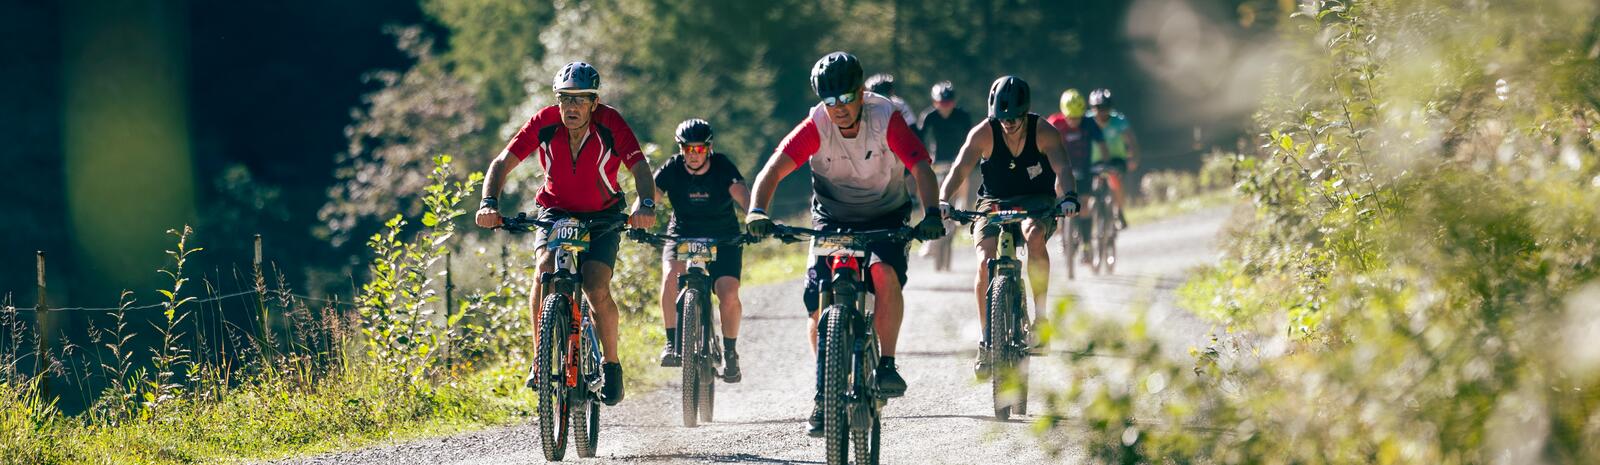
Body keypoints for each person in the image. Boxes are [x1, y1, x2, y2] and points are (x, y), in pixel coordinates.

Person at [744, 51, 945, 437]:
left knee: (883, 274)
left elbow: (920, 164)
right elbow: (775, 167)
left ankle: (886, 363)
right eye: (829, 100)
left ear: (861, 91)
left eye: (845, 98)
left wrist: (932, 213)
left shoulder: (885, 117)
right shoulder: (817, 123)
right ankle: (824, 394)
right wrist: (757, 210)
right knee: (819, 304)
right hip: (832, 216)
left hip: (885, 213)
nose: (837, 109)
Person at [474, 62, 656, 406]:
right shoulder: (544, 122)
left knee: (595, 285)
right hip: (556, 210)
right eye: (564, 100)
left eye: (580, 100)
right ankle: (540, 359)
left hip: (604, 213)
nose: (571, 107)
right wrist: (488, 203)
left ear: (594, 102)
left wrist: (644, 204)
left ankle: (611, 363)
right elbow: (502, 162)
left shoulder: (611, 123)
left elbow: (639, 166)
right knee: (544, 272)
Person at [937, 76, 1079, 379]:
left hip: (1036, 202)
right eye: (1003, 118)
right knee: (986, 262)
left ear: (1025, 112)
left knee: (1034, 234)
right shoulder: (983, 134)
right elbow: (960, 169)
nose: (1009, 123)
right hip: (994, 202)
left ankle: (1040, 320)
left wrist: (1067, 196)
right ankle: (987, 339)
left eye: (1015, 118)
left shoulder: (1043, 131)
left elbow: (1062, 167)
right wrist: (942, 199)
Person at [652, 118, 750, 383]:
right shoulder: (672, 167)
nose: (693, 155)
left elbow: (741, 192)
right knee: (671, 275)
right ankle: (672, 343)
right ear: (681, 149)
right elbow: (652, 195)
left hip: (724, 235)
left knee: (728, 293)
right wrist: (641, 212)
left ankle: (730, 353)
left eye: (700, 149)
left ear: (709, 148)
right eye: (688, 149)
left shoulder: (722, 166)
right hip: (682, 233)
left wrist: (754, 216)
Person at [915, 81, 975, 269]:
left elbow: (971, 140)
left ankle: (962, 203)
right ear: (934, 103)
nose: (945, 107)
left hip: (958, 159)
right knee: (924, 182)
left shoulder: (963, 116)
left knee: (963, 175)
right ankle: (929, 217)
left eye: (949, 103)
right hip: (937, 160)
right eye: (941, 103)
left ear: (954, 102)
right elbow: (919, 140)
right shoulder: (929, 117)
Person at [1046, 89, 1108, 264]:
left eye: (1078, 118)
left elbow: (1102, 145)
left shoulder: (1089, 123)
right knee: (1057, 192)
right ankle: (1060, 231)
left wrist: (1104, 164)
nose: (1074, 122)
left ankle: (1086, 245)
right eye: (1071, 118)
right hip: (1062, 167)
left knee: (1085, 205)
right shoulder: (1054, 123)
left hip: (1084, 168)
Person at [1087, 88, 1140, 228]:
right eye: (1097, 108)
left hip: (1116, 158)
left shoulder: (1119, 120)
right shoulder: (1086, 121)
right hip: (1094, 160)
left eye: (1105, 107)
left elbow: (1131, 140)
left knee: (1114, 178)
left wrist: (1133, 158)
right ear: (1092, 108)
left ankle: (1118, 210)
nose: (1101, 111)